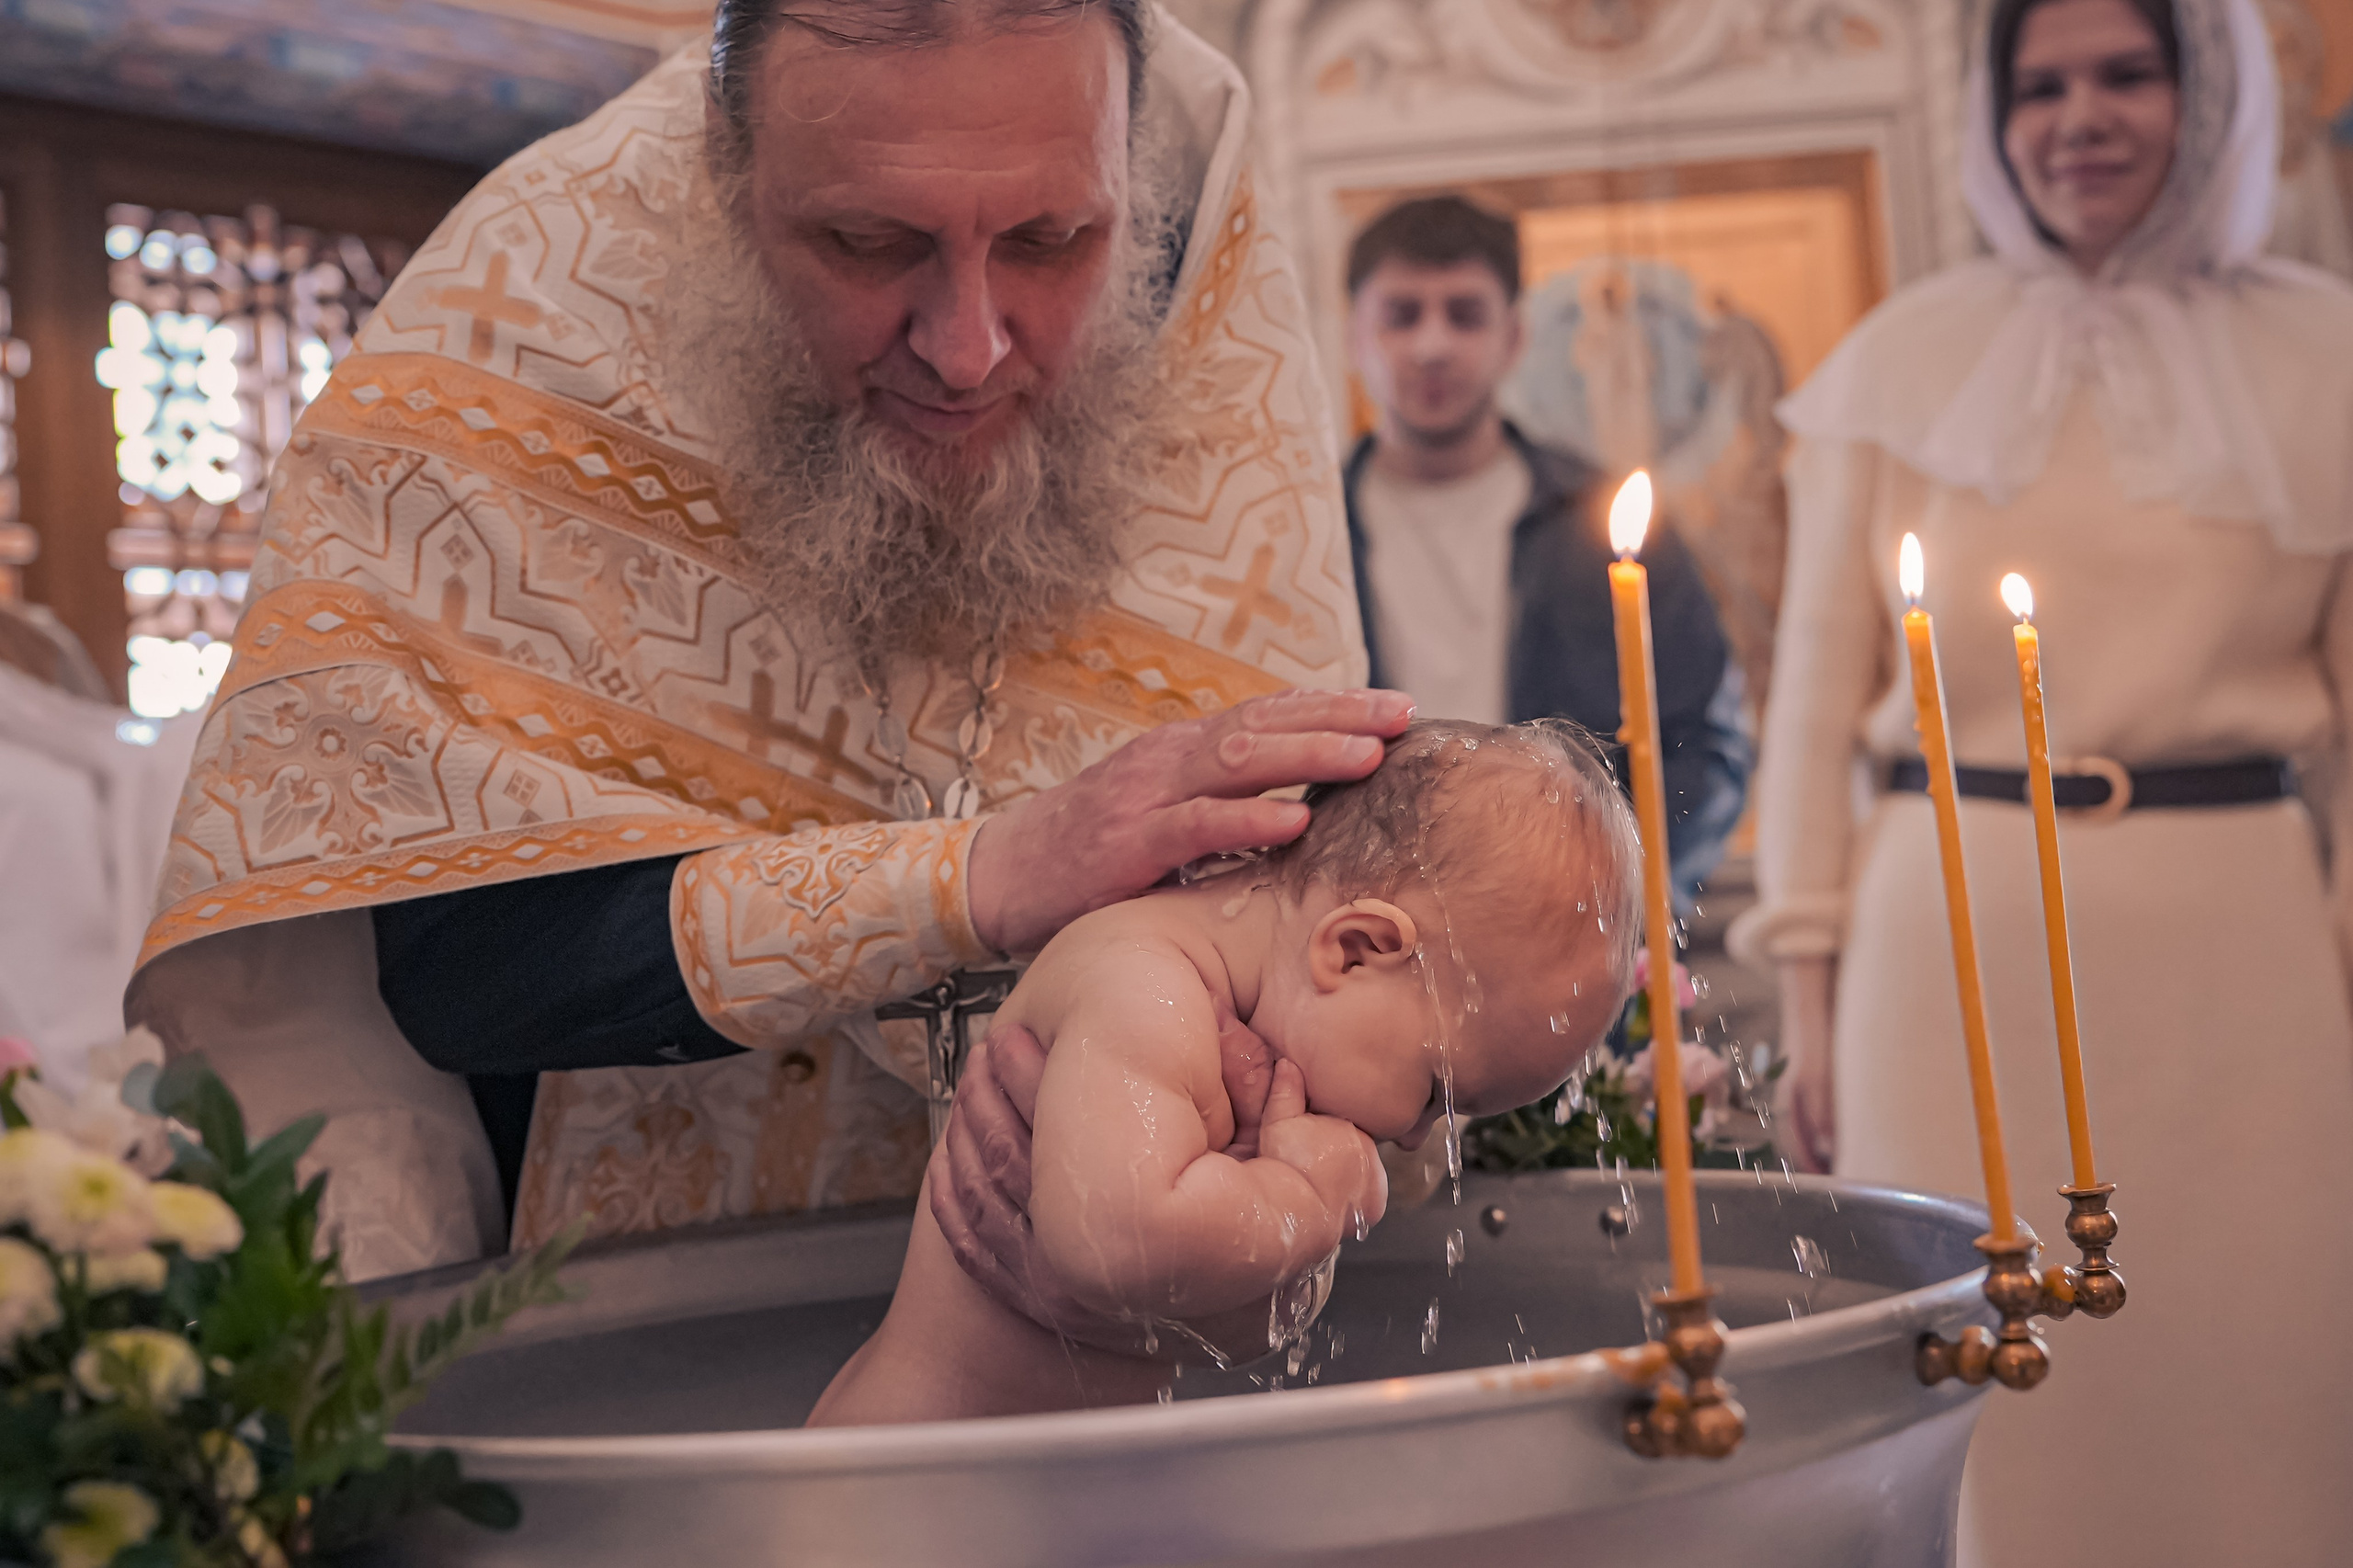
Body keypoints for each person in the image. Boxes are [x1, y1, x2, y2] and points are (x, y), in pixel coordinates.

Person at [123, 0, 1407, 1283]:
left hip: (1089, 1318)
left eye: (1049, 241)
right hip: (619, 1312)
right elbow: (458, 970)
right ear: (724, 180)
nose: (967, 348)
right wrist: (971, 879)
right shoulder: (525, 321)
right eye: (867, 243)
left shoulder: (1204, 316)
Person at [1733, 0, 2353, 1561]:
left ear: (2212, 95)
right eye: (2042, 85)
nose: (2080, 118)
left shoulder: (2330, 356)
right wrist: (1807, 979)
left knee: (2263, 1351)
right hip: (1950, 931)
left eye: (2128, 75)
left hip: (2246, 940)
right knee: (1976, 1366)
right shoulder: (1899, 361)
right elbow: (1813, 703)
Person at [811, 720, 1637, 1424]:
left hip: (1023, 1488)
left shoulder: (1246, 1021)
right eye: (1435, 1093)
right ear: (1354, 950)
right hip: (905, 1482)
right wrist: (1303, 1198)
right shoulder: (1143, 982)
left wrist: (1286, 1253)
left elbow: (1217, 1307)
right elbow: (1115, 1247)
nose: (1419, 1136)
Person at [1339, 197, 1749, 895]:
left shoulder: (1610, 529)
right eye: (1401, 315)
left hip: (1569, 916)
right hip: (1358, 914)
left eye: (1465, 314)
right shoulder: (1304, 536)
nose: (1433, 345)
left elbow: (1703, 745)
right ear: (1355, 337)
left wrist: (1627, 907)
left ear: (1514, 337)